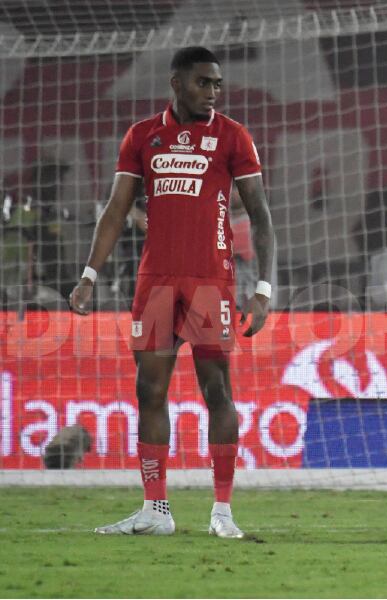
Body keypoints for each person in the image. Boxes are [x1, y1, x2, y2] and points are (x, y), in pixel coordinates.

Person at [69, 46, 275, 538]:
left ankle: (222, 511)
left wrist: (263, 288)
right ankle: (155, 509)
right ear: (177, 83)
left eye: (217, 84)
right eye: (203, 82)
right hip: (155, 282)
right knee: (149, 391)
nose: (213, 92)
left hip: (211, 282)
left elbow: (261, 216)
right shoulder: (143, 136)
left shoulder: (232, 136)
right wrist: (89, 275)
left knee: (218, 391)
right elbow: (117, 209)